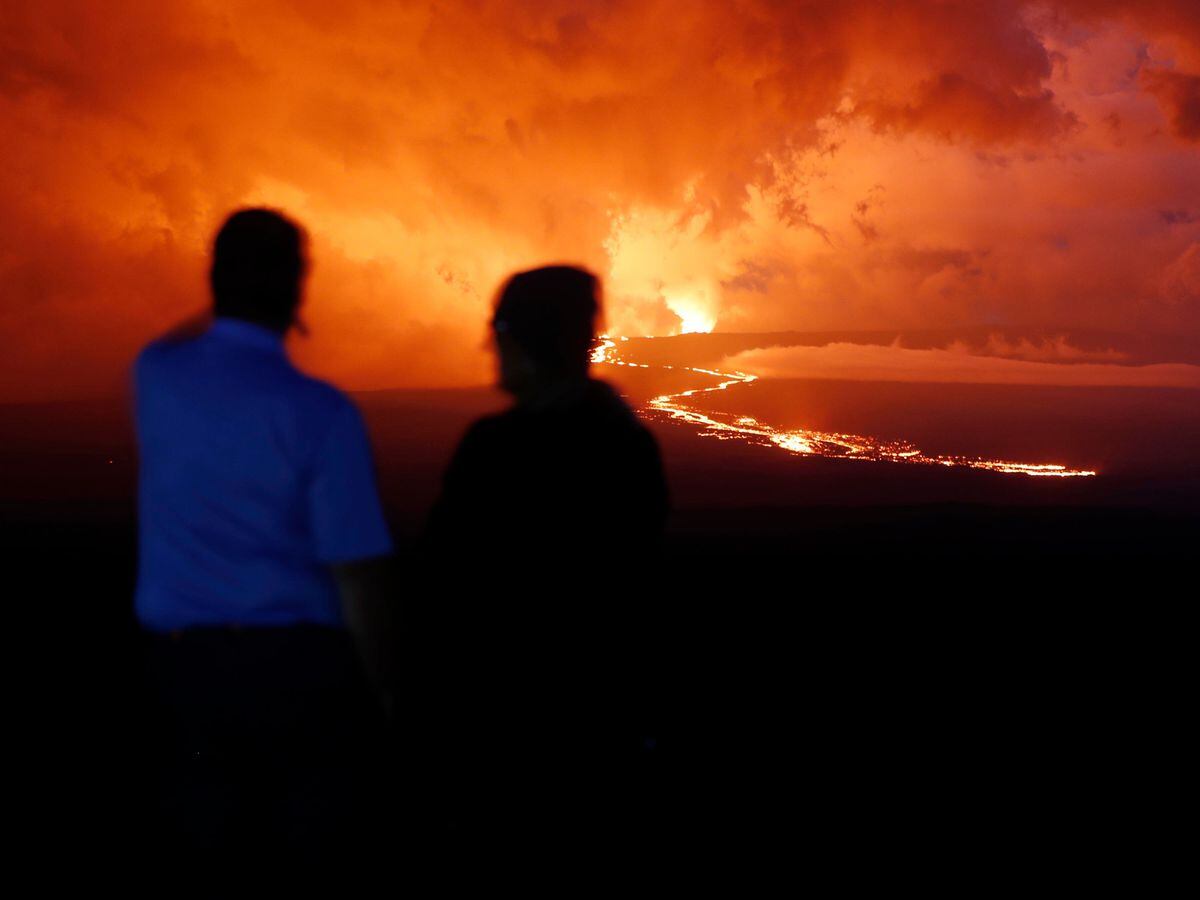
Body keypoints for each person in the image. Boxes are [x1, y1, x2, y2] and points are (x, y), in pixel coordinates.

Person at [133, 208, 394, 869]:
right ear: (298, 287)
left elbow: (174, 341)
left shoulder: (156, 378)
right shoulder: (320, 414)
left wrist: (231, 306)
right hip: (295, 679)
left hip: (179, 675)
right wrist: (390, 696)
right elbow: (358, 573)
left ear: (215, 279)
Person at [417, 265, 669, 849]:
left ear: (526, 339)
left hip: (503, 737)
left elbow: (443, 587)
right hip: (602, 733)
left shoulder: (495, 451)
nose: (488, 344)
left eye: (498, 327)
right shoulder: (628, 446)